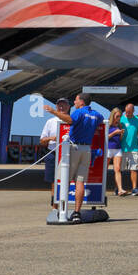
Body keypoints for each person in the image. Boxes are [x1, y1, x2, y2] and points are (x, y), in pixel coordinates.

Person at [45, 93, 104, 222]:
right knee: (80, 181)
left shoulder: (78, 112)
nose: (74, 103)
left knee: (64, 178)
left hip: (74, 148)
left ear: (82, 102)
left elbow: (70, 121)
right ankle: (77, 212)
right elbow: (101, 119)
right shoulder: (96, 114)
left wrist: (53, 111)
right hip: (87, 149)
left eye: (76, 100)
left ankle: (62, 211)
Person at [38, 98, 71, 203]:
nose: (61, 107)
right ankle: (54, 205)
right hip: (53, 152)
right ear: (56, 107)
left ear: (69, 107)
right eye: (59, 105)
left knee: (68, 180)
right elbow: (42, 141)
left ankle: (66, 203)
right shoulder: (50, 122)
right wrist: (51, 138)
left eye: (64, 105)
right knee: (53, 181)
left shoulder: (72, 120)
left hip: (68, 154)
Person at [119, 102, 138, 195]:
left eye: (129, 112)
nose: (127, 114)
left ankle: (134, 189)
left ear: (133, 111)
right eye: (126, 112)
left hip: (134, 148)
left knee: (133, 169)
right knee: (120, 170)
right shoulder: (121, 119)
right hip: (122, 148)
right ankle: (118, 188)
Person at [106, 108, 126, 197]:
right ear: (113, 115)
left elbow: (120, 139)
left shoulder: (120, 125)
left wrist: (121, 134)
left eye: (119, 117)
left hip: (117, 148)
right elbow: (105, 137)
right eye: (117, 116)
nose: (118, 118)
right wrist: (115, 133)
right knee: (104, 170)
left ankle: (120, 189)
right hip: (108, 149)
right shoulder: (107, 125)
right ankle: (101, 188)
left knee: (117, 169)